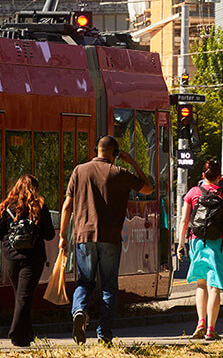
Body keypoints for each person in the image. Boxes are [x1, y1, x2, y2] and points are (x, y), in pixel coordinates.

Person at [57, 135, 153, 345]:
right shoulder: (119, 172)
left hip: (83, 236)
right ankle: (104, 333)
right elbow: (148, 188)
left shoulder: (79, 171)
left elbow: (67, 206)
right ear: (115, 154)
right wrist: (133, 162)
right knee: (109, 287)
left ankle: (80, 311)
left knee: (84, 281)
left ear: (96, 150)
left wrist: (63, 236)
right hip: (110, 238)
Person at [177, 160, 223, 340]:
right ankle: (211, 329)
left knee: (201, 284)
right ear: (219, 177)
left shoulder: (193, 193)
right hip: (219, 243)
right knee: (215, 287)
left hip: (197, 241)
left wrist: (181, 244)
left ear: (203, 175)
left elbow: (184, 221)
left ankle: (200, 322)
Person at [0, 174, 57, 347]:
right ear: (34, 189)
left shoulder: (6, 207)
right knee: (24, 296)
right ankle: (16, 333)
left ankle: (26, 335)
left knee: (22, 296)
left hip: (12, 258)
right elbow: (50, 234)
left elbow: (0, 235)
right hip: (33, 258)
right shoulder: (39, 207)